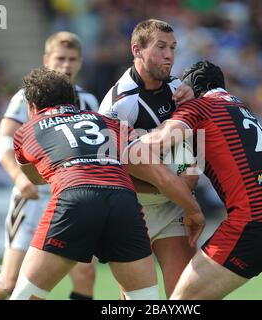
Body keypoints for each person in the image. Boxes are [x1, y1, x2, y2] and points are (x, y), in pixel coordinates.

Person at [131, 61, 262, 300]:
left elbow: (156, 143)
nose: (178, 97)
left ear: (195, 87)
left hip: (254, 222)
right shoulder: (242, 109)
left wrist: (119, 142)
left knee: (181, 302)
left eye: (182, 89)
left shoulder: (199, 107)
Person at [9, 68, 204, 300]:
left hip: (75, 198)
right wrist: (190, 204)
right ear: (73, 99)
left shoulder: (26, 131)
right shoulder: (109, 123)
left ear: (31, 107)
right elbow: (152, 169)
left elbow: (35, 177)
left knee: (23, 296)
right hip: (124, 202)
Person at [0, 32, 98, 300]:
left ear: (80, 62)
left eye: (72, 59)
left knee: (85, 275)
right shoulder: (27, 97)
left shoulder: (89, 101)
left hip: (71, 200)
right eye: (60, 58)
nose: (66, 65)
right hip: (33, 197)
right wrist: (20, 179)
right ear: (46, 60)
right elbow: (3, 140)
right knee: (10, 283)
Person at [98, 19, 199, 298]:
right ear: (137, 50)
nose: (169, 55)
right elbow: (109, 171)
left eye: (173, 48)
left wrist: (179, 188)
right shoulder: (118, 105)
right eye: (161, 47)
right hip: (132, 210)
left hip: (172, 209)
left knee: (184, 295)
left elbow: (191, 166)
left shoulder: (181, 91)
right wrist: (165, 185)